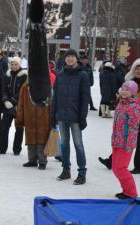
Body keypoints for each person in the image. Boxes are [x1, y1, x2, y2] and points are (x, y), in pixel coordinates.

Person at [51, 49, 90, 185]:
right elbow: (55, 97)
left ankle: (82, 172)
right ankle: (66, 170)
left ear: (76, 59)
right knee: (64, 144)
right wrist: (53, 115)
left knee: (78, 145)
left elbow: (85, 98)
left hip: (75, 117)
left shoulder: (83, 75)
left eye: (73, 56)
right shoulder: (60, 75)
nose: (70, 59)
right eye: (68, 57)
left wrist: (82, 117)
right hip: (61, 116)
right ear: (65, 59)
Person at [99, 59, 140, 173]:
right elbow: (122, 94)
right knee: (122, 139)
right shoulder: (129, 82)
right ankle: (112, 161)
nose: (138, 71)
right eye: (136, 68)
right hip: (128, 116)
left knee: (134, 143)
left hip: (136, 116)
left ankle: (137, 166)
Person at [111, 80, 140, 199]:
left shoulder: (134, 106)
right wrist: (113, 138)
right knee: (115, 167)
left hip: (126, 143)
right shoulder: (121, 103)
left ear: (133, 92)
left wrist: (129, 144)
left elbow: (134, 127)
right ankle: (126, 191)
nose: (124, 91)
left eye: (127, 90)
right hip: (117, 141)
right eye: (123, 89)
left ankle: (132, 193)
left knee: (121, 168)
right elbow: (116, 123)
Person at [16, 78, 51, 170]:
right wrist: (20, 117)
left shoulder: (46, 85)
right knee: (31, 138)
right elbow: (21, 103)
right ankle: (32, 160)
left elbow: (51, 102)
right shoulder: (25, 87)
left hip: (43, 117)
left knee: (42, 139)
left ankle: (42, 161)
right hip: (29, 117)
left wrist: (53, 117)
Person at [0, 56, 27, 155]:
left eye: (15, 64)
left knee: (19, 128)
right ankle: (2, 148)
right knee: (4, 128)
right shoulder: (7, 75)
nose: (13, 66)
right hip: (7, 105)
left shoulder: (24, 76)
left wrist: (13, 101)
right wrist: (5, 100)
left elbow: (22, 91)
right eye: (12, 64)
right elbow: (4, 89)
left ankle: (17, 149)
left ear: (19, 65)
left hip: (20, 106)